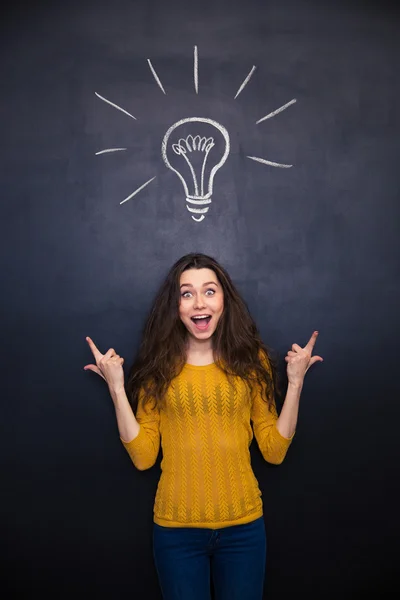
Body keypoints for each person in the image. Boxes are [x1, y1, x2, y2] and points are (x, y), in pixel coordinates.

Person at [84, 253, 323, 600]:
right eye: (187, 293)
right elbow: (143, 457)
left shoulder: (251, 361)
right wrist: (117, 389)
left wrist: (296, 383)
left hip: (244, 530)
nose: (199, 302)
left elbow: (274, 450)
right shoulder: (157, 368)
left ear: (224, 299)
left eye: (209, 291)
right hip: (177, 534)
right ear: (176, 305)